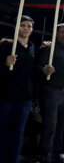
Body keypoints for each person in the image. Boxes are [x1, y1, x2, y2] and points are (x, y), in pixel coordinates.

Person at [0, 16, 35, 163]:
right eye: (22, 25)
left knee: (18, 132)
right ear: (16, 28)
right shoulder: (6, 46)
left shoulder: (32, 47)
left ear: (32, 29)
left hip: (25, 97)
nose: (25, 28)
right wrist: (5, 64)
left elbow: (33, 72)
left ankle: (13, 160)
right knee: (2, 131)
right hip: (6, 96)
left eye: (28, 26)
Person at [37, 23, 64, 163]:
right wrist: (43, 70)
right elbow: (38, 67)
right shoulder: (49, 48)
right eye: (62, 32)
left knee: (60, 126)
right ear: (56, 34)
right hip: (51, 92)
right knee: (50, 127)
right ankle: (44, 158)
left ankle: (56, 156)